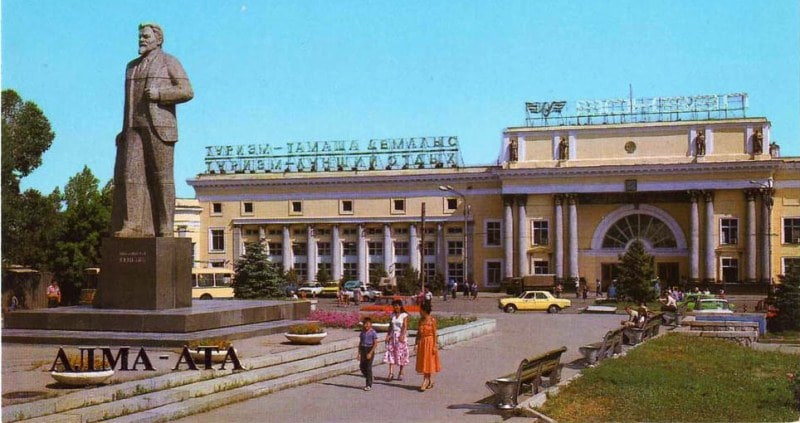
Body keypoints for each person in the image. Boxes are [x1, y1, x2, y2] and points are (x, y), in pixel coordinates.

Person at [111, 23, 194, 237]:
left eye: (146, 36)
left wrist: (159, 94)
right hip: (133, 128)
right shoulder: (131, 66)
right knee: (131, 176)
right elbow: (127, 102)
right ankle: (132, 224)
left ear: (158, 39)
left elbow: (186, 91)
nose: (141, 40)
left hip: (160, 127)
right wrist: (123, 129)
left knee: (162, 177)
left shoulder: (169, 61)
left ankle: (166, 226)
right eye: (139, 36)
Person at [414, 302, 441, 391]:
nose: (419, 312)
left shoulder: (432, 320)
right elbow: (418, 333)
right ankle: (430, 380)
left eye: (420, 310)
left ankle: (425, 381)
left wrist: (435, 345)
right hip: (422, 342)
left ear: (424, 310)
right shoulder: (421, 321)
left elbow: (434, 333)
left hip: (430, 342)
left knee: (428, 361)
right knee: (425, 361)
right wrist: (416, 344)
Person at [384, 299, 409, 381]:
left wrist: (402, 335)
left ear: (400, 306)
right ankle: (391, 373)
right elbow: (390, 326)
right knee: (391, 353)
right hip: (393, 336)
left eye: (397, 305)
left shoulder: (404, 315)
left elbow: (405, 326)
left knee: (401, 354)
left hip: (400, 335)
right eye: (394, 306)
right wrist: (388, 335)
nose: (395, 307)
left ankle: (401, 372)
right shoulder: (392, 315)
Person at [357, 317, 378, 391]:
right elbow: (360, 343)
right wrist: (359, 353)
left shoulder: (373, 332)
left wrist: (370, 353)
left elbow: (375, 343)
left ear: (370, 324)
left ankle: (368, 384)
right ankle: (370, 377)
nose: (366, 325)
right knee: (362, 366)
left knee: (368, 367)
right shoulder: (362, 332)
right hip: (363, 349)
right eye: (364, 324)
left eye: (367, 324)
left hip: (369, 349)